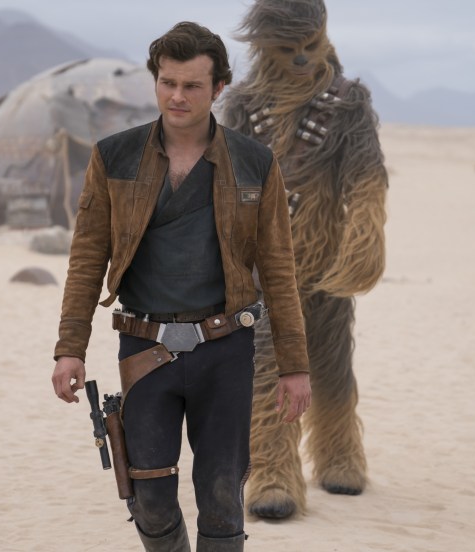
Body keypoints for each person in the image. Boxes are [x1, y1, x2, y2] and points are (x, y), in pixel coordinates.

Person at [51, 21, 311, 552]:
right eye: (167, 82)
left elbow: (279, 270)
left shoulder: (255, 163)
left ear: (218, 88)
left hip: (225, 347)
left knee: (221, 491)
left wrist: (295, 366)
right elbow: (87, 259)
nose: (177, 96)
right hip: (145, 348)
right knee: (147, 496)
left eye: (192, 85)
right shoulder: (114, 157)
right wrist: (69, 348)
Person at [219, 0, 389, 520]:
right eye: (286, 49)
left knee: (334, 363)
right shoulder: (245, 106)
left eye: (309, 46)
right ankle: (272, 471)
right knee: (268, 364)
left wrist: (365, 240)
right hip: (265, 271)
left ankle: (339, 452)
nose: (300, 59)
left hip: (327, 267)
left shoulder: (348, 102)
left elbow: (367, 178)